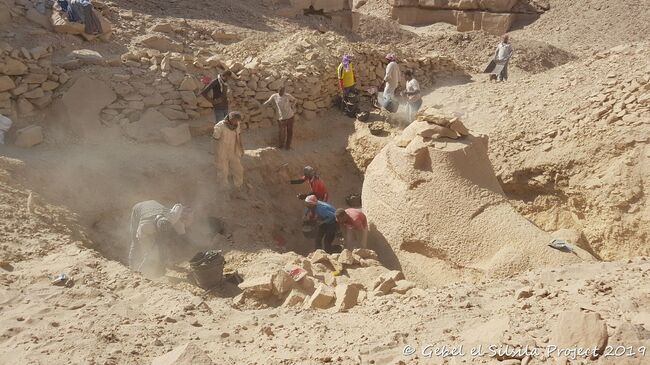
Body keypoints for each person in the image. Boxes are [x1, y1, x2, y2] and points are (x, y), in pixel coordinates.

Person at [129, 201, 193, 277]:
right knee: (137, 243)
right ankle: (132, 266)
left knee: (160, 247)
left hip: (153, 204)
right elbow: (142, 241)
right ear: (157, 229)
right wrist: (150, 252)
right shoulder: (146, 227)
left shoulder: (172, 217)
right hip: (138, 209)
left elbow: (179, 206)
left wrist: (190, 253)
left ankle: (162, 265)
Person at [213, 111, 244, 190]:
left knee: (239, 169)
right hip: (222, 150)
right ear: (231, 119)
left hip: (233, 150)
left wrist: (241, 148)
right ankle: (224, 189)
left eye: (237, 121)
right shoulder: (220, 126)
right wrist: (216, 153)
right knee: (223, 171)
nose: (236, 122)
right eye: (235, 120)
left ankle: (238, 187)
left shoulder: (237, 125)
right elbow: (215, 140)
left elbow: (238, 135)